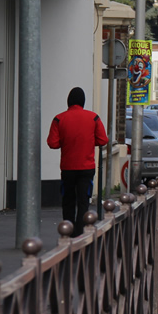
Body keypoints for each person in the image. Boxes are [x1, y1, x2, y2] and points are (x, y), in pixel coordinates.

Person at [47, 87, 109, 237]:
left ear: (68, 101)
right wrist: (87, 141)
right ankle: (80, 233)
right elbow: (103, 140)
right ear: (83, 101)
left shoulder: (59, 119)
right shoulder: (93, 118)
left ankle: (67, 230)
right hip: (87, 167)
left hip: (68, 167)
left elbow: (53, 143)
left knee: (68, 200)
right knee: (83, 200)